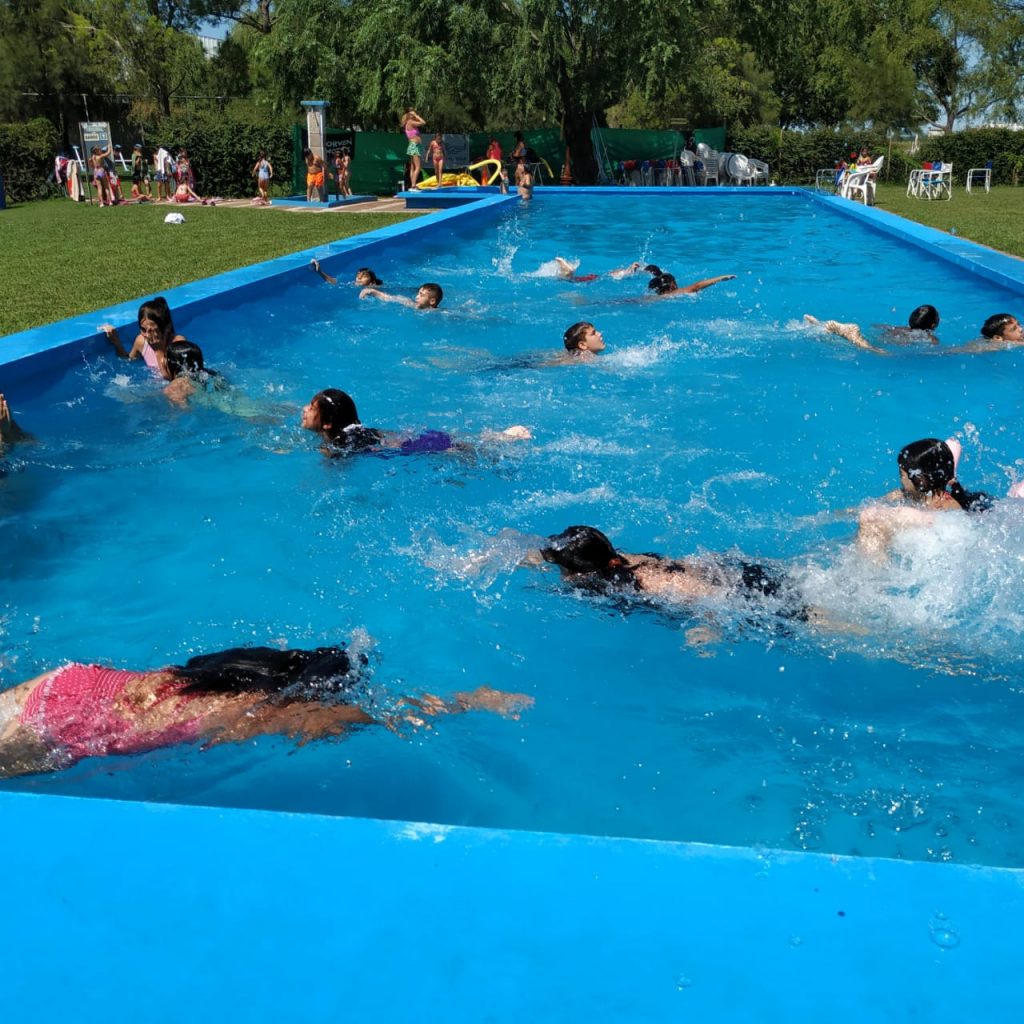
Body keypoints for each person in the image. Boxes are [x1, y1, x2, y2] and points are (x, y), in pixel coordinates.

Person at [0, 642, 532, 779]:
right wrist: (468, 702)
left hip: (69, 683)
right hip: (63, 729)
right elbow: (386, 716)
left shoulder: (241, 663)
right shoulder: (264, 709)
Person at [532, 526, 814, 628]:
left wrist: (706, 628)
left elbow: (710, 596)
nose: (564, 578)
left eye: (566, 571)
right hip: (721, 569)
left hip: (745, 589)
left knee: (817, 621)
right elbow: (543, 554)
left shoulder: (650, 583)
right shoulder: (611, 561)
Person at [856, 437, 993, 559]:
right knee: (869, 518)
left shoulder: (945, 505)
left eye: (901, 474)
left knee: (870, 520)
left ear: (920, 480)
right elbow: (875, 504)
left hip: (941, 534)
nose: (900, 479)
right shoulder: (904, 493)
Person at [301, 388, 530, 458]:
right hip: (414, 439)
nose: (304, 409)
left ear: (328, 424)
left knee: (464, 452)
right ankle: (501, 436)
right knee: (462, 443)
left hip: (415, 448)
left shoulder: (333, 448)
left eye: (311, 408)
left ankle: (505, 442)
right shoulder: (354, 430)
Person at [101, 297, 187, 380]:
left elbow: (173, 378)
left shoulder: (178, 343)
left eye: (152, 330)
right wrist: (117, 343)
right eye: (143, 329)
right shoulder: (141, 342)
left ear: (167, 327)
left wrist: (158, 350)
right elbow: (128, 361)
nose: (147, 335)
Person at [803, 305, 941, 354]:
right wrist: (960, 350)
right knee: (883, 353)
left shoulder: (900, 328)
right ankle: (851, 334)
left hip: (882, 337)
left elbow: (877, 326)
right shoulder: (930, 338)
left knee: (853, 342)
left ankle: (821, 325)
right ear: (933, 326)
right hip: (885, 345)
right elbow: (939, 352)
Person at [647, 271, 736, 297]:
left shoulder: (652, 298)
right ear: (672, 285)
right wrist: (721, 278)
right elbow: (696, 287)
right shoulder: (674, 293)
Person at [360, 282, 443, 310]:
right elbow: (389, 297)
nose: (417, 296)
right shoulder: (411, 304)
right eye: (418, 293)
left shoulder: (440, 312)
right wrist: (372, 291)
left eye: (421, 295)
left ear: (432, 301)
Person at [401, 108, 427, 188]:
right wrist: (417, 116)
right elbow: (423, 122)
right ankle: (413, 186)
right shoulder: (411, 122)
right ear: (410, 116)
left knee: (413, 167)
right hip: (414, 146)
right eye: (413, 114)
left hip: (412, 146)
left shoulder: (408, 123)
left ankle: (412, 185)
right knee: (418, 167)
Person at [310, 260, 383, 287]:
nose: (359, 278)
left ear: (372, 282)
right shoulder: (351, 285)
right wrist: (319, 271)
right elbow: (334, 282)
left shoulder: (375, 287)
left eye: (364, 276)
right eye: (358, 275)